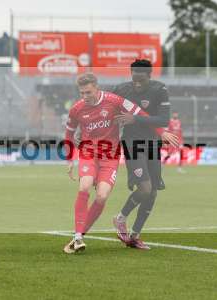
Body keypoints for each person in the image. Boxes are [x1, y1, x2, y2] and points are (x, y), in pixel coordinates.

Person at [63, 73, 177, 254]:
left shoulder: (114, 101)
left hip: (110, 156)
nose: (85, 96)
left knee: (101, 197)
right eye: (82, 93)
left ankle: (81, 234)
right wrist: (69, 159)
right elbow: (69, 133)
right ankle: (78, 237)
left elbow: (140, 113)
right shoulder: (77, 109)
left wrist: (161, 132)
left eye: (88, 92)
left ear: (97, 88)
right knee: (84, 186)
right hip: (88, 152)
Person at [112, 59, 172, 250]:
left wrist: (134, 118)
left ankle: (135, 235)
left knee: (153, 191)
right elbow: (106, 110)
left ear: (149, 75)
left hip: (153, 144)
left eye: (141, 80)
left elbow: (164, 120)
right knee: (145, 189)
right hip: (132, 142)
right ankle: (120, 218)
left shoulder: (160, 89)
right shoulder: (121, 89)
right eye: (134, 78)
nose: (136, 83)